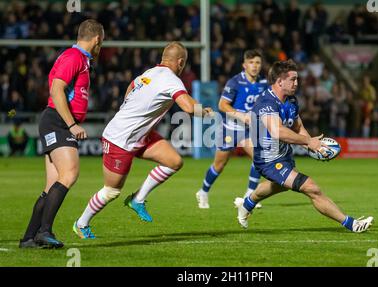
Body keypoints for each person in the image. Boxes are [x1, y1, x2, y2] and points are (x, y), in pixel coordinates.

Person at [73, 42, 213, 239]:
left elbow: (131, 86)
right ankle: (81, 223)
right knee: (111, 191)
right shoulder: (171, 80)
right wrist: (205, 112)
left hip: (138, 134)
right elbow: (189, 108)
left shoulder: (149, 73)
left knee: (174, 161)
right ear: (180, 62)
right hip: (120, 139)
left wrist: (128, 109)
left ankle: (138, 199)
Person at [234, 59, 373, 233]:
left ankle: (246, 204)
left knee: (278, 186)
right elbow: (278, 132)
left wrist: (315, 146)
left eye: (297, 79)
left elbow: (297, 126)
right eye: (293, 79)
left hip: (284, 155)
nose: (297, 83)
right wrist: (308, 142)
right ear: (280, 81)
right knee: (311, 188)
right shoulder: (266, 103)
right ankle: (352, 224)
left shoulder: (291, 100)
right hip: (268, 160)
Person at [19, 20, 104, 249]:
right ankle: (44, 232)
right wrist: (72, 124)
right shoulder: (74, 57)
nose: (101, 46)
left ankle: (29, 237)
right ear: (96, 39)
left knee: (52, 184)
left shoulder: (79, 59)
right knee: (70, 173)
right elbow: (56, 89)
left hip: (55, 121)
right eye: (101, 42)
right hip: (58, 121)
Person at [196, 50, 268, 209]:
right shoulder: (235, 82)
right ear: (244, 65)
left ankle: (249, 194)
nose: (254, 66)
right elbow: (222, 105)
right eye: (251, 62)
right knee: (219, 165)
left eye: (257, 63)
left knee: (259, 157)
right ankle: (203, 191)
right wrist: (241, 115)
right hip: (230, 129)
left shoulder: (263, 83)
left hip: (249, 130)